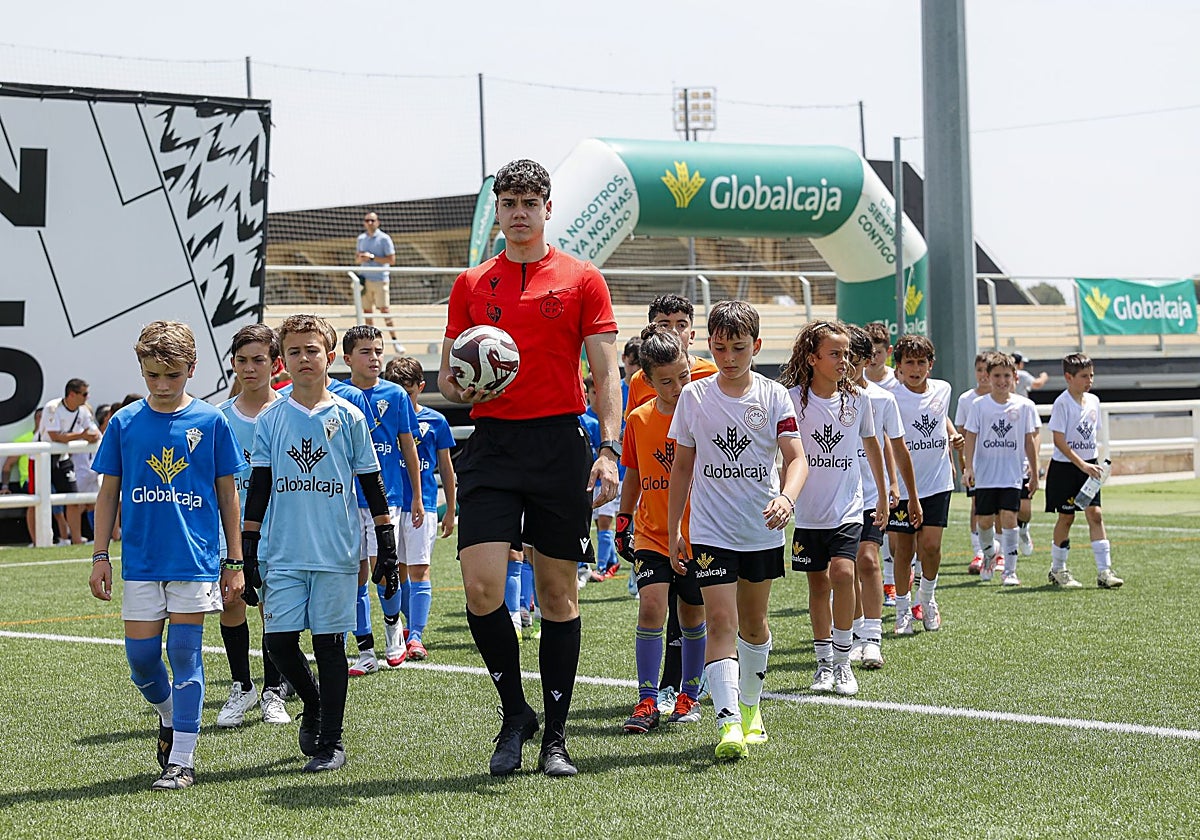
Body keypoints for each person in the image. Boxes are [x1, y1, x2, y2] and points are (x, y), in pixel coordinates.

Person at [438, 158, 622, 778]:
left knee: (556, 595)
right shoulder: (470, 284)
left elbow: (604, 374)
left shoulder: (581, 279)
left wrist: (608, 449)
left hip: (557, 447)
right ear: (499, 210)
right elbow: (447, 377)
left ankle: (556, 738)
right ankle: (515, 712)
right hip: (491, 446)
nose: (518, 213)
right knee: (482, 588)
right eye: (508, 202)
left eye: (529, 202)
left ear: (547, 208)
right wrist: (468, 383)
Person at [87, 321, 245, 791]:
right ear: (141, 369)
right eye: (152, 375)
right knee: (140, 660)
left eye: (171, 375)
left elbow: (227, 494)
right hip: (140, 561)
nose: (161, 384)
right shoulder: (125, 422)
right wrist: (100, 555)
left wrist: (233, 560)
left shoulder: (211, 421)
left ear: (191, 370)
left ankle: (182, 761)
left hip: (193, 559)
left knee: (184, 652)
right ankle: (170, 715)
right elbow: (107, 492)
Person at [242, 314, 397, 774]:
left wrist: (385, 543)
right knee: (280, 643)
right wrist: (248, 551)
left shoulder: (349, 416)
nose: (304, 358)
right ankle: (312, 703)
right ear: (281, 362)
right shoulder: (272, 417)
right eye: (294, 351)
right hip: (283, 551)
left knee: (330, 645)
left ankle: (332, 741)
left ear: (329, 356)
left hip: (335, 552)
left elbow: (372, 484)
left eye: (312, 350)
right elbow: (259, 486)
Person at [666, 300, 807, 760]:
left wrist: (786, 497)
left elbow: (797, 457)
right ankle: (727, 724)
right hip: (710, 530)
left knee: (754, 623)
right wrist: (674, 530)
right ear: (709, 345)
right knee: (720, 622)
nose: (728, 358)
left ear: (757, 347)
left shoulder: (774, 395)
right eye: (721, 347)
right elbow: (681, 468)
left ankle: (751, 707)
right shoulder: (693, 397)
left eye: (739, 348)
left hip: (760, 529)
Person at [780, 321, 888, 697]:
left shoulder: (858, 399)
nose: (844, 361)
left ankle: (843, 662)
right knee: (818, 584)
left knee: (844, 573)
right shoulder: (790, 399)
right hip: (808, 511)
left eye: (846, 354)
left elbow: (872, 447)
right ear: (812, 358)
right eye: (835, 354)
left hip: (848, 509)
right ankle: (823, 661)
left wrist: (885, 496)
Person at [624, 293, 718, 708]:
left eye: (684, 378)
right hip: (652, 532)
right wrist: (625, 517)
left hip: (699, 530)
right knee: (651, 608)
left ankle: (690, 694)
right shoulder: (638, 417)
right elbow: (634, 468)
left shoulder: (707, 394)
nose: (680, 387)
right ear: (647, 379)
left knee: (694, 615)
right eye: (668, 381)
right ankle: (647, 697)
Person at [213, 324, 291, 728]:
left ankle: (273, 692)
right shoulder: (218, 419)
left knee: (273, 612)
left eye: (258, 359)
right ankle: (242, 686)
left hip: (280, 533)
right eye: (241, 360)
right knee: (232, 605)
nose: (249, 367)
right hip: (233, 537)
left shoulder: (289, 414)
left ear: (275, 364)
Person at [342, 325, 424, 675]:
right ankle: (364, 650)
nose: (374, 358)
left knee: (383, 569)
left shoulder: (396, 394)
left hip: (384, 497)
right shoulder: (336, 395)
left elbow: (409, 446)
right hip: (344, 498)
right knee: (353, 575)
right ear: (346, 359)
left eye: (378, 351)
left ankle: (393, 631)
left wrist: (417, 496)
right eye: (366, 352)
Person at [846, 326, 918, 669]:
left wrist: (904, 492)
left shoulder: (882, 399)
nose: (845, 365)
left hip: (870, 497)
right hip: (833, 500)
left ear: (867, 360)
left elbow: (897, 448)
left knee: (868, 559)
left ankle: (872, 639)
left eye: (852, 359)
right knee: (841, 571)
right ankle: (855, 634)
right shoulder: (819, 397)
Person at [885, 334, 962, 634]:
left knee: (930, 546)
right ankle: (902, 610)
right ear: (899, 367)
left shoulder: (943, 389)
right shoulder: (891, 397)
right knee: (903, 550)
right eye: (909, 363)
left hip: (939, 482)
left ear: (930, 365)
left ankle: (927, 600)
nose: (915, 369)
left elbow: (941, 418)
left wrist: (953, 438)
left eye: (921, 362)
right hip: (904, 488)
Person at [384, 355, 458, 658]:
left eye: (409, 391)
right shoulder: (381, 421)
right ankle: (401, 629)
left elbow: (446, 468)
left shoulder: (435, 421)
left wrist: (451, 509)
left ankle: (415, 636)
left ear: (420, 387)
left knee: (419, 568)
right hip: (388, 503)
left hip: (423, 505)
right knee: (394, 571)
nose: (403, 397)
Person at [1044, 353, 1123, 589]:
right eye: (1083, 376)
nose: (1089, 380)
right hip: (1067, 469)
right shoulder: (1062, 403)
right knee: (1066, 517)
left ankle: (1104, 571)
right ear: (1069, 377)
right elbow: (1058, 440)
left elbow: (1091, 436)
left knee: (1095, 514)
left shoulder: (1093, 401)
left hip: (1088, 467)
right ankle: (1058, 570)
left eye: (1091, 375)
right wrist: (1082, 465)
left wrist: (1095, 464)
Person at [962, 352, 1041, 587]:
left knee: (1009, 518)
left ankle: (1009, 570)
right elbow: (971, 437)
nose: (1001, 380)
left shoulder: (1024, 406)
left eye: (1007, 375)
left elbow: (1030, 440)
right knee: (984, 522)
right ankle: (989, 555)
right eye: (997, 375)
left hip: (1012, 474)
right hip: (986, 475)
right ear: (988, 376)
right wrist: (969, 467)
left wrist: (1034, 473)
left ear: (1015, 377)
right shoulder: (978, 405)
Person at [39, 378, 100, 544]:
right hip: (41, 459)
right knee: (36, 500)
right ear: (72, 394)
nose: (87, 397)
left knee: (73, 499)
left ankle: (76, 540)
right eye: (84, 394)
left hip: (64, 458)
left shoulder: (84, 411)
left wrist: (88, 435)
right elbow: (55, 436)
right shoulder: (53, 408)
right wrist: (82, 435)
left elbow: (94, 434)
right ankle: (40, 540)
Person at [956, 354, 994, 574]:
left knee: (1000, 509)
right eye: (980, 370)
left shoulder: (1004, 399)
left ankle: (998, 549)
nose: (983, 375)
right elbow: (962, 434)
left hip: (998, 462)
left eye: (987, 371)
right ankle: (979, 550)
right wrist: (964, 462)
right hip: (976, 462)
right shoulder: (966, 400)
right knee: (977, 505)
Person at [355, 211, 403, 354]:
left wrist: (372, 257)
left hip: (380, 280)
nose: (369, 223)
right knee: (367, 312)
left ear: (378, 222)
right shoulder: (361, 238)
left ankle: (395, 341)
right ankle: (370, 344)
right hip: (365, 279)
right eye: (367, 220)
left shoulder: (384, 239)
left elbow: (391, 260)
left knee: (385, 310)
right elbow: (357, 259)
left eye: (372, 220)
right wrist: (362, 258)